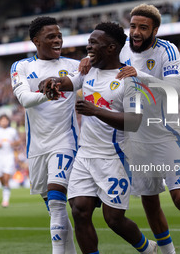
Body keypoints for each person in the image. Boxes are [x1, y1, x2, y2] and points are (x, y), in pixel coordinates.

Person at [40, 22, 157, 254]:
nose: (88, 46)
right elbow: (67, 83)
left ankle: (147, 248)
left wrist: (95, 110)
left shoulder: (129, 80)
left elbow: (134, 121)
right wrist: (50, 82)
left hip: (114, 156)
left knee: (113, 219)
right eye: (89, 41)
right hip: (85, 155)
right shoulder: (88, 70)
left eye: (94, 42)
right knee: (79, 211)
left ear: (111, 48)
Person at [116, 4, 180, 254]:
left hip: (164, 134)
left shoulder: (167, 50)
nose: (136, 32)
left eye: (143, 27)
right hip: (136, 139)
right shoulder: (121, 49)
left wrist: (137, 74)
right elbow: (100, 58)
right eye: (133, 26)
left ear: (155, 30)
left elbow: (172, 88)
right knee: (150, 202)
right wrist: (87, 60)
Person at [10, 16, 79, 254]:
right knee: (54, 208)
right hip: (37, 148)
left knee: (58, 204)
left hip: (65, 141)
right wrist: (46, 93)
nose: (58, 39)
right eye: (51, 36)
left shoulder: (74, 66)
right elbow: (25, 99)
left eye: (59, 35)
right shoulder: (21, 67)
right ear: (36, 41)